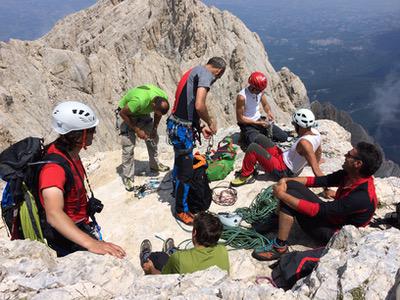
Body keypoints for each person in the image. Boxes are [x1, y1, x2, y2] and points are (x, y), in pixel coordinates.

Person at [252, 142, 383, 261]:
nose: (345, 155)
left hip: (334, 234)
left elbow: (317, 210)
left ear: (357, 164)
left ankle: (279, 247)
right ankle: (278, 219)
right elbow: (320, 181)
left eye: (349, 155)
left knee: (288, 198)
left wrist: (281, 195)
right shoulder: (350, 175)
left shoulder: (361, 197)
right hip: (332, 218)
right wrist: (286, 180)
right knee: (292, 187)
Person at [39, 101, 126, 258]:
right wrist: (91, 243)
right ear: (79, 134)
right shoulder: (54, 169)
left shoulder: (69, 152)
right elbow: (53, 214)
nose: (95, 134)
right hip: (65, 238)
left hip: (78, 226)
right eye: (91, 130)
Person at [167, 57, 226, 225]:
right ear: (218, 72)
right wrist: (210, 122)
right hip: (182, 130)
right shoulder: (207, 75)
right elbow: (199, 105)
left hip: (176, 125)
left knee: (180, 163)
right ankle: (181, 210)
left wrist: (199, 127)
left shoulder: (194, 70)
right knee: (186, 173)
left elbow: (188, 104)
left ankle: (176, 191)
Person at [231, 108, 324, 187]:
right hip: (282, 157)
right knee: (260, 138)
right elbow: (318, 150)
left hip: (283, 171)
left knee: (252, 148)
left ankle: (246, 176)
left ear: (300, 126)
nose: (294, 126)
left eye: (295, 124)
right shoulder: (316, 133)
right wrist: (317, 160)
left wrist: (326, 189)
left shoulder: (305, 143)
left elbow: (316, 170)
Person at [140, 212, 229, 274]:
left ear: (194, 232)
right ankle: (171, 251)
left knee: (159, 257)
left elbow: (163, 280)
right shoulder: (222, 250)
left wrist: (151, 269)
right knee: (180, 255)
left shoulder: (179, 259)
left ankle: (146, 257)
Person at [118, 84, 170, 192]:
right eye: (155, 111)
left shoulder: (162, 97)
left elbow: (158, 114)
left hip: (142, 112)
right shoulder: (140, 100)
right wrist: (137, 130)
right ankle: (128, 178)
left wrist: (154, 129)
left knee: (153, 140)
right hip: (127, 114)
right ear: (153, 104)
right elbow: (122, 113)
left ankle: (155, 165)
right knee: (128, 147)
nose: (156, 113)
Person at [236, 71, 289, 148]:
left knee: (283, 137)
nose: (261, 91)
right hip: (247, 124)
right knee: (257, 144)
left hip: (259, 120)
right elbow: (240, 119)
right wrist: (258, 123)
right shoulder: (242, 97)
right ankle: (246, 136)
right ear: (253, 87)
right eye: (259, 90)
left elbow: (265, 104)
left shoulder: (260, 92)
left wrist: (269, 112)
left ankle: (258, 135)